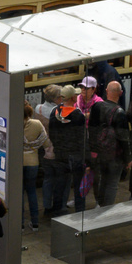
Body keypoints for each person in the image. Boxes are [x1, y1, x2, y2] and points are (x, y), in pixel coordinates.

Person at [47, 85, 88, 215]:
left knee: (60, 185)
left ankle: (57, 211)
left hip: (60, 154)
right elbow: (82, 138)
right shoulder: (78, 115)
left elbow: (52, 133)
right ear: (72, 97)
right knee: (78, 186)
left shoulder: (55, 112)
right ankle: (80, 213)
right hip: (75, 155)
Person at [87, 81, 129, 207]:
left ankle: (99, 205)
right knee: (112, 183)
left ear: (106, 91)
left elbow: (91, 130)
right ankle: (107, 209)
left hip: (99, 153)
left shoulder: (96, 107)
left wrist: (92, 151)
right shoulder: (120, 112)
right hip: (114, 155)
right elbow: (124, 138)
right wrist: (128, 158)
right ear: (120, 93)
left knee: (101, 181)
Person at [22, 101, 50, 231]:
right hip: (33, 162)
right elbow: (46, 143)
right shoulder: (37, 124)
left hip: (17, 162)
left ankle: (20, 224)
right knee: (32, 191)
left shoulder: (13, 124)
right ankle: (35, 223)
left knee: (19, 193)